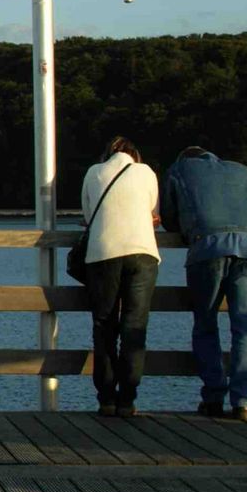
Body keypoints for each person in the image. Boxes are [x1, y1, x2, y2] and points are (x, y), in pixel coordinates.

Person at [160, 146, 247, 422]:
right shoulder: (245, 172)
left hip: (206, 250)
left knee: (206, 325)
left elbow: (169, 220)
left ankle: (213, 397)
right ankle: (244, 402)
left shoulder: (178, 170)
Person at [79, 137, 159, 417]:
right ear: (134, 155)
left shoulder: (93, 173)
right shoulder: (146, 172)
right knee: (134, 328)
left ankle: (106, 399)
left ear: (108, 154)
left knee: (104, 328)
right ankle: (127, 400)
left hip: (102, 254)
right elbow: (153, 213)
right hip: (143, 253)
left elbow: (89, 215)